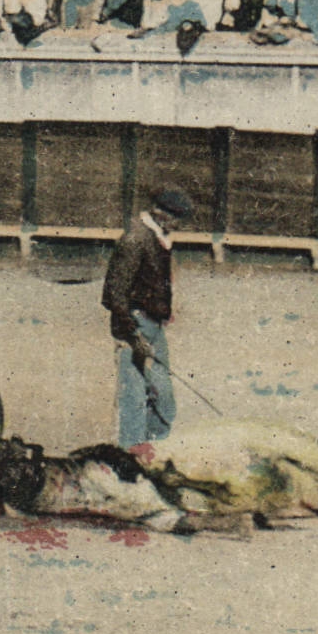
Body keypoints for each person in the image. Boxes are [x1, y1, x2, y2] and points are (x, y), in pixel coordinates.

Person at [102, 187, 192, 450]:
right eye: (176, 219)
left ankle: (155, 447)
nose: (178, 225)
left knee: (163, 396)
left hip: (153, 326)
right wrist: (132, 335)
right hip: (134, 326)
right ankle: (132, 453)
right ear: (160, 214)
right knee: (133, 397)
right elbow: (113, 293)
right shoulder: (135, 239)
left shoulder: (157, 237)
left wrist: (164, 310)